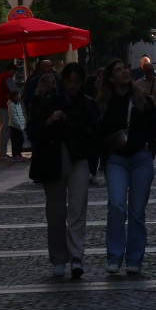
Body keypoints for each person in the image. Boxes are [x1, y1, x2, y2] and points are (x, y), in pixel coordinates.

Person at [28, 64, 101, 279]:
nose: (72, 85)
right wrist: (50, 120)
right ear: (64, 81)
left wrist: (69, 122)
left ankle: (76, 256)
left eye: (76, 81)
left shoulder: (88, 105)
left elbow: (93, 134)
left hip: (78, 159)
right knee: (56, 212)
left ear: (81, 82)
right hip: (53, 160)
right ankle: (59, 258)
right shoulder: (49, 102)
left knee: (77, 209)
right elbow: (33, 130)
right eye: (69, 80)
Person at [96, 60, 156, 276]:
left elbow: (155, 127)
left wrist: (149, 149)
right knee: (116, 206)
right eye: (118, 70)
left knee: (136, 212)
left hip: (141, 159)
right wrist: (104, 156)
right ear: (111, 77)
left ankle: (134, 259)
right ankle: (114, 256)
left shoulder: (142, 99)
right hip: (116, 159)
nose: (124, 72)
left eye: (126, 68)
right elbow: (98, 131)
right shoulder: (104, 102)